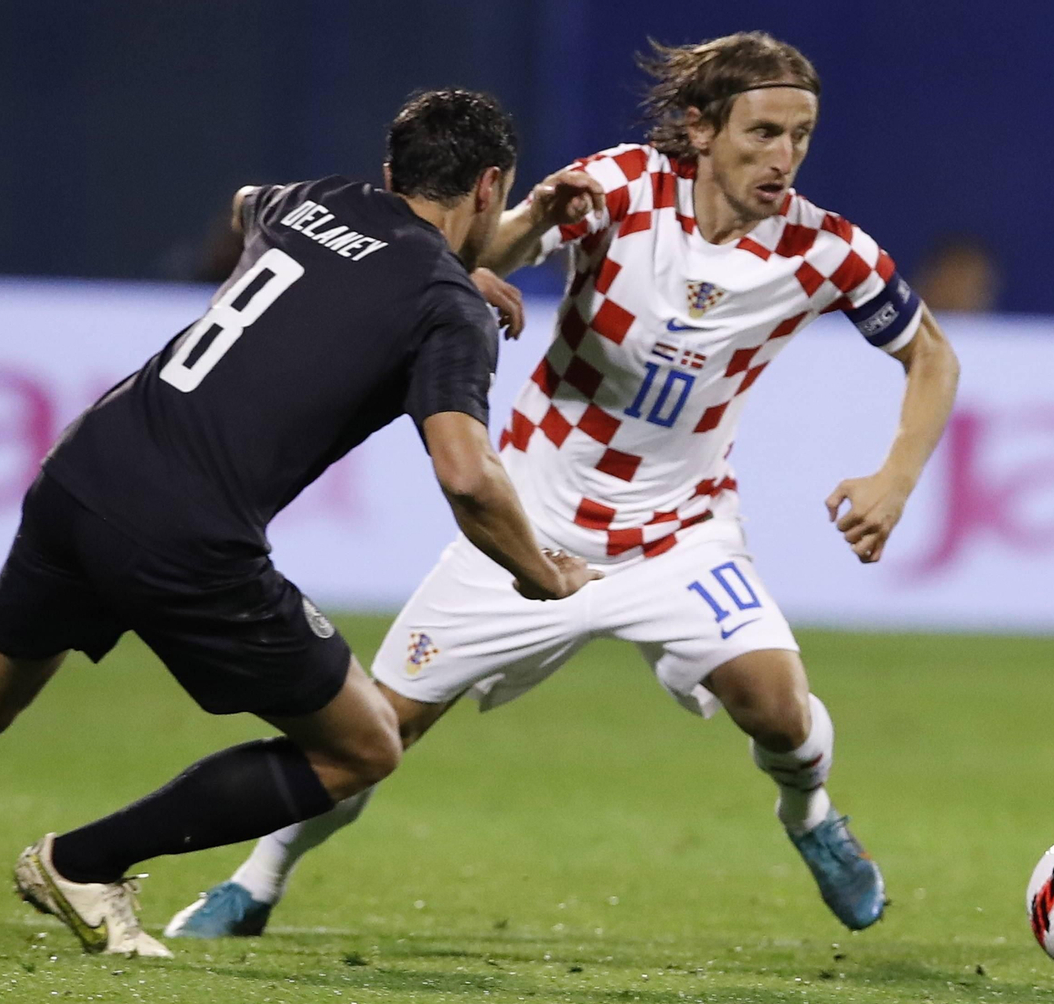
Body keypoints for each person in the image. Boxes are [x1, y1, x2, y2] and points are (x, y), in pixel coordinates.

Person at [0, 89, 596, 956]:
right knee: (363, 744)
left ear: (389, 171)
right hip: (188, 531)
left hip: (85, 469)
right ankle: (84, 863)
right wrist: (543, 573)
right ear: (488, 187)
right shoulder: (447, 306)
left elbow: (248, 205)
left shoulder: (317, 201)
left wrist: (451, 265)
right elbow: (469, 476)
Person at [167, 31, 961, 941]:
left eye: (802, 136)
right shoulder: (619, 189)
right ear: (700, 130)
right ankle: (257, 881)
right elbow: (466, 263)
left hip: (679, 531)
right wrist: (533, 220)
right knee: (374, 735)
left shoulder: (826, 252)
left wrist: (895, 479)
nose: (784, 158)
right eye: (764, 133)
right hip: (527, 527)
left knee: (778, 707)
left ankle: (812, 818)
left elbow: (932, 357)